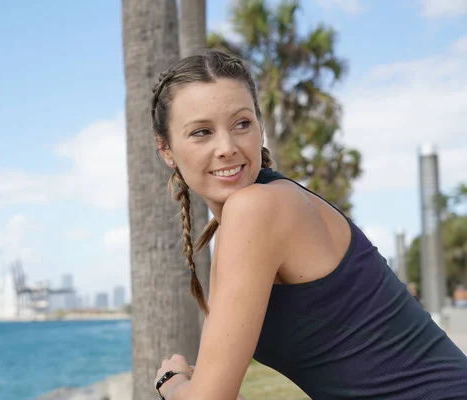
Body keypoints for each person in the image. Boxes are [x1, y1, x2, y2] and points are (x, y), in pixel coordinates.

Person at [149, 50, 467, 400]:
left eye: (242, 124)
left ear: (260, 126)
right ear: (166, 149)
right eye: (201, 132)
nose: (226, 147)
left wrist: (172, 381)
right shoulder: (249, 218)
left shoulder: (257, 208)